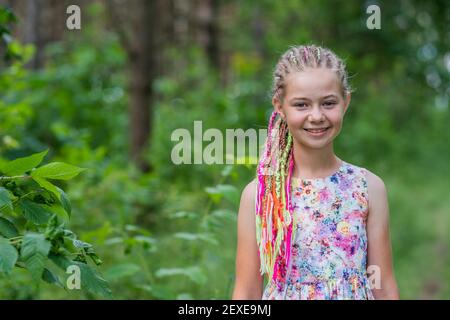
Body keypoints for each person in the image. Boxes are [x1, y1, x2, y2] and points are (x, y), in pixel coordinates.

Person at [232, 44, 400, 300]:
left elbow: (383, 284)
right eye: (301, 105)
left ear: (346, 102)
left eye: (328, 103)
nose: (317, 116)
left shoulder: (367, 187)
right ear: (279, 106)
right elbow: (246, 291)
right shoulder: (261, 195)